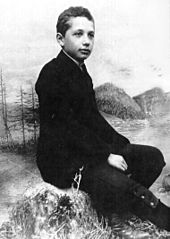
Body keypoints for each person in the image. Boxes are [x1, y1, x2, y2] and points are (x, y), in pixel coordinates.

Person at [35, 6, 170, 234]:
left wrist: (121, 145)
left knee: (152, 158)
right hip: (63, 162)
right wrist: (106, 155)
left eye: (91, 34)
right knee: (128, 187)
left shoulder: (80, 71)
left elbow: (92, 119)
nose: (86, 41)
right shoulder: (51, 75)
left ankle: (114, 207)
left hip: (87, 151)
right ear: (60, 39)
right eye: (78, 34)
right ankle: (144, 215)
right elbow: (68, 129)